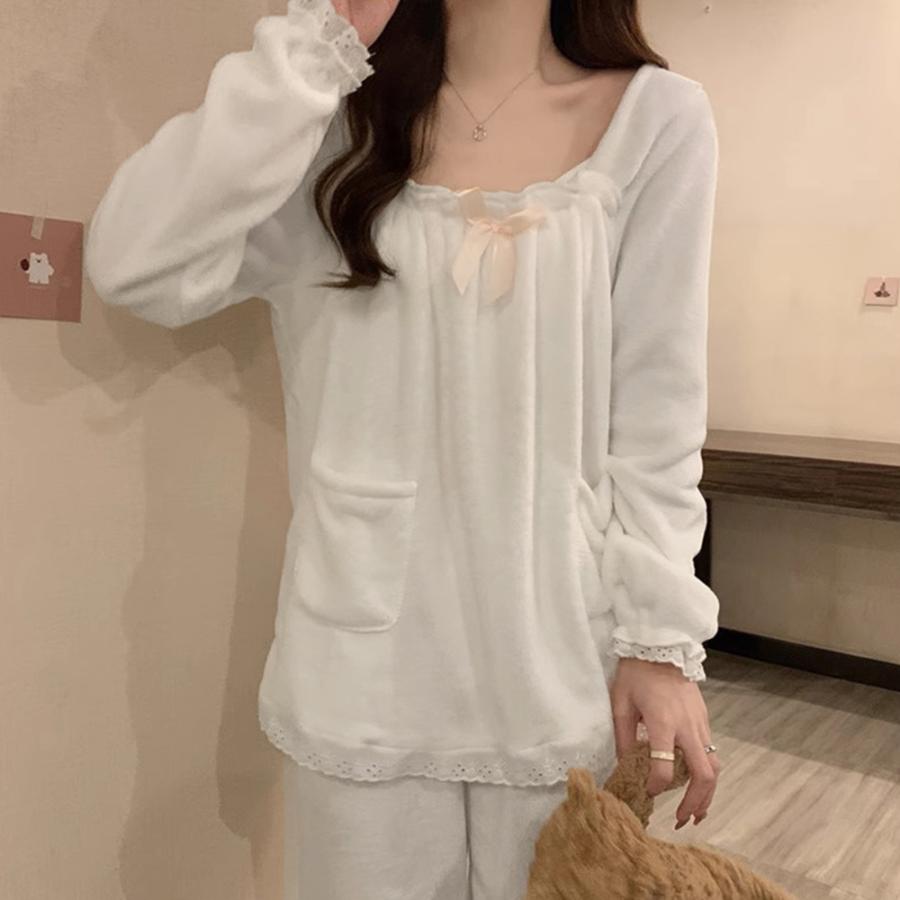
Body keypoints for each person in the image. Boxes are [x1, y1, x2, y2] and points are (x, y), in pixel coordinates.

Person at [85, 0, 723, 895]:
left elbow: (658, 408)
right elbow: (133, 261)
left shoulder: (657, 122)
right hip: (362, 667)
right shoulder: (328, 122)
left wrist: (658, 639)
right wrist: (322, 44)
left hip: (560, 662)